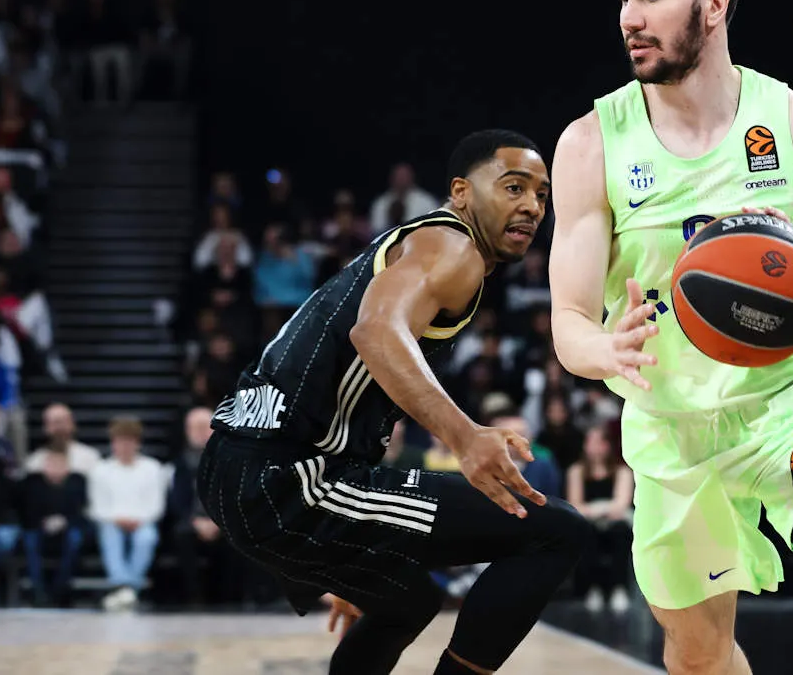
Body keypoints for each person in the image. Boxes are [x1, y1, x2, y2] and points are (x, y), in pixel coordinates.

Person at [549, 0, 793, 675]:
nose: (629, 18)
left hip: (792, 403)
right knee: (699, 656)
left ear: (714, 4)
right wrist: (604, 349)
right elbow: (569, 323)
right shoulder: (589, 143)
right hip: (672, 428)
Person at [197, 129, 589, 675]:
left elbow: (358, 388)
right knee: (558, 531)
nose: (531, 206)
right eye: (513, 187)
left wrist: (343, 551)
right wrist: (465, 437)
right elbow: (376, 332)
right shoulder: (453, 247)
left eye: (542, 195)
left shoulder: (419, 244)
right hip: (288, 479)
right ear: (461, 192)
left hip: (246, 464)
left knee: (406, 601)